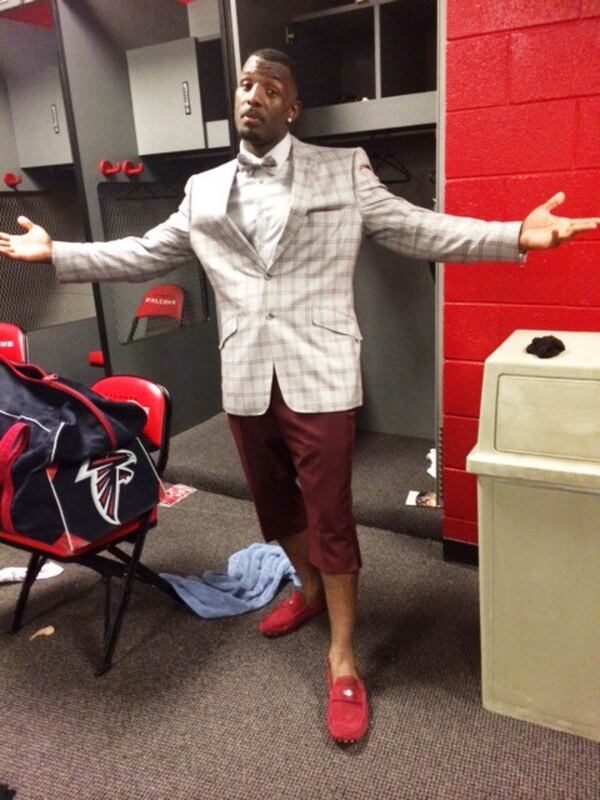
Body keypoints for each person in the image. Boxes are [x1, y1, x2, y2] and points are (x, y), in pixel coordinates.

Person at [0, 48, 598, 744]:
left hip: (320, 370)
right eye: (246, 83)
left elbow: (417, 228)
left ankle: (343, 656)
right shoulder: (203, 190)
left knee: (331, 512)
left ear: (293, 107)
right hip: (248, 376)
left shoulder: (344, 171)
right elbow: (143, 251)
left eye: (271, 86)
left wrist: (515, 234)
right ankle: (310, 591)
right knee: (274, 503)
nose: (253, 94)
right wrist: (60, 253)